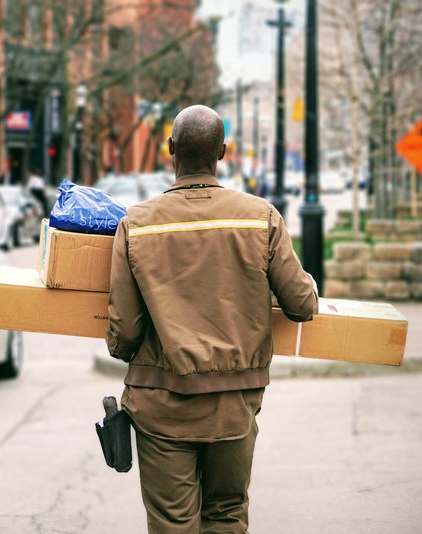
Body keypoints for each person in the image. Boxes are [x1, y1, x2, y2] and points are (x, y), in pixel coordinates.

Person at [106, 105, 318, 533]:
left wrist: (125, 348)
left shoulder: (136, 224)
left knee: (173, 522)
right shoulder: (261, 218)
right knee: (225, 514)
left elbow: (124, 331)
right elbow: (301, 305)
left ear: (171, 151)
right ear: (222, 151)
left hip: (160, 405)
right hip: (233, 404)